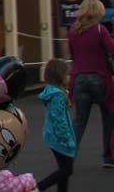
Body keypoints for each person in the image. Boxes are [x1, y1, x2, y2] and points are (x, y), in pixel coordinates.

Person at [66, 0, 114, 168]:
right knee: (108, 116)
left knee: (80, 120)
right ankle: (109, 156)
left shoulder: (73, 31)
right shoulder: (99, 30)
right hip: (99, 77)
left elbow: (73, 56)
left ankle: (68, 157)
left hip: (80, 77)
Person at [37, 59, 76, 192]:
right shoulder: (57, 95)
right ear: (59, 76)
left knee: (63, 170)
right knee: (67, 170)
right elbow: (59, 120)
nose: (69, 77)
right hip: (58, 138)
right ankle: (37, 187)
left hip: (52, 135)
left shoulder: (55, 92)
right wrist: (66, 139)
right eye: (67, 74)